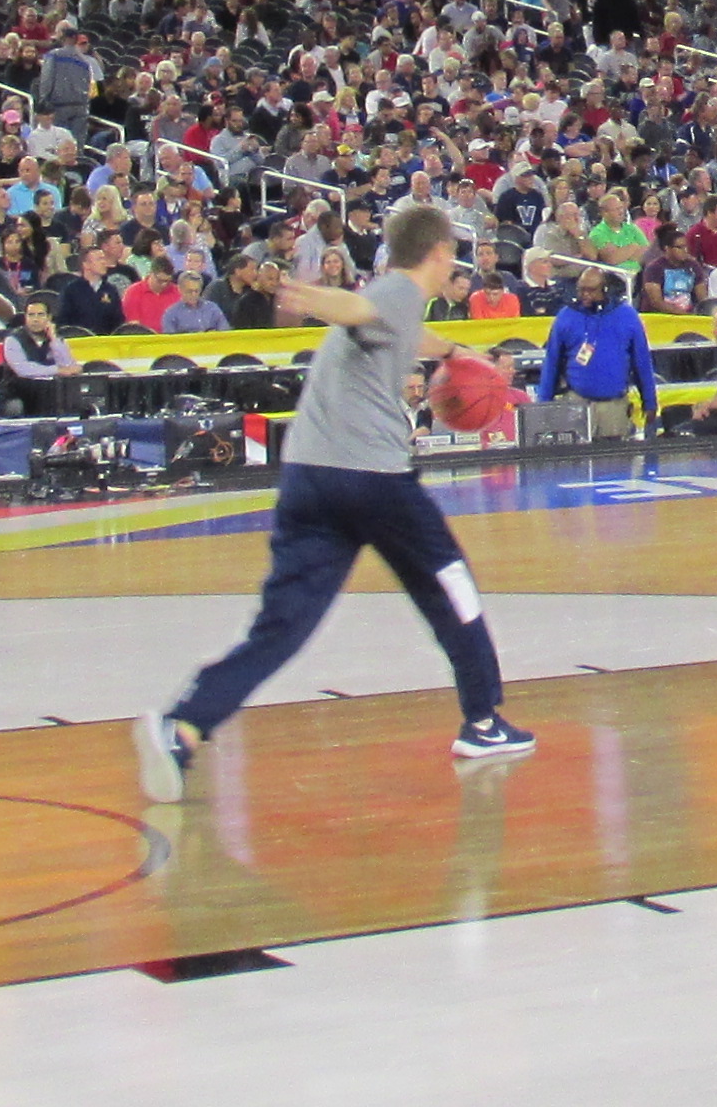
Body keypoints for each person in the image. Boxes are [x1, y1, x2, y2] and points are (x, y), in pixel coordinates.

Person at [133, 201, 529, 795]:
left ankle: (184, 728)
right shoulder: (394, 291)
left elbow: (390, 325)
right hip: (372, 477)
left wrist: (451, 353)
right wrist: (316, 299)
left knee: (283, 626)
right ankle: (483, 721)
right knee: (452, 588)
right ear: (442, 252)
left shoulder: (396, 305)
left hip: (307, 477)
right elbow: (361, 309)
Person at [538, 267, 659, 443]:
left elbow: (642, 362)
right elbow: (552, 362)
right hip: (576, 403)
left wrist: (649, 401)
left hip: (613, 406)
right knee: (575, 463)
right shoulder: (566, 316)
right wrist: (544, 404)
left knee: (615, 461)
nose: (584, 294)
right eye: (581, 289)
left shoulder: (627, 316)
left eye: (591, 290)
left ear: (606, 290)